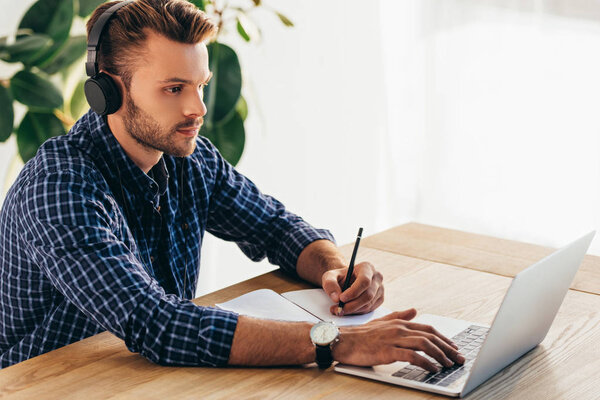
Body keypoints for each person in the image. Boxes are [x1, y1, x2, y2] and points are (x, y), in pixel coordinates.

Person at [0, 0, 464, 371]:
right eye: (174, 88)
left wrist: (336, 268)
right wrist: (336, 342)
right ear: (109, 92)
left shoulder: (188, 157)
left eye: (201, 85)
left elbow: (275, 228)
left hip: (141, 376)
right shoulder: (59, 188)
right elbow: (155, 324)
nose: (198, 108)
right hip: (48, 384)